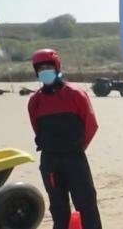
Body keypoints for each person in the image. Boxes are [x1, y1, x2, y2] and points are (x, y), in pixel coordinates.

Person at [27, 49, 102, 229]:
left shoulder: (76, 94)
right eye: (41, 68)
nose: (45, 70)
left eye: (48, 67)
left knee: (86, 204)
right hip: (50, 161)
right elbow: (36, 127)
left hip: (75, 159)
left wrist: (76, 148)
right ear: (36, 71)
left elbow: (91, 125)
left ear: (57, 67)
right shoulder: (35, 100)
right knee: (58, 206)